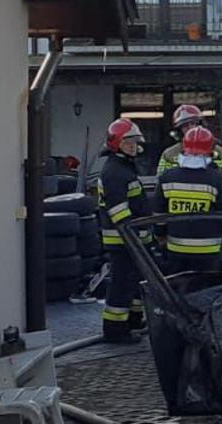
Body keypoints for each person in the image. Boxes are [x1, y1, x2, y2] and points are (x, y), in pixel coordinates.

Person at [91, 118, 154, 341]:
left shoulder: (123, 167)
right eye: (128, 142)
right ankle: (115, 331)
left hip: (130, 241)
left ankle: (133, 321)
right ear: (116, 144)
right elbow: (119, 213)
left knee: (133, 284)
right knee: (121, 286)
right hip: (123, 241)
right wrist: (135, 238)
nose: (134, 146)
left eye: (135, 142)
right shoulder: (115, 172)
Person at [157, 126, 222, 274]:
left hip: (176, 250)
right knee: (208, 292)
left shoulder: (167, 178)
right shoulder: (217, 180)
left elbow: (158, 215)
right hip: (209, 252)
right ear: (210, 152)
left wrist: (161, 235)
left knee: (179, 291)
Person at [158, 104, 222, 175]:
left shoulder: (218, 152)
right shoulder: (169, 154)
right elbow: (161, 180)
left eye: (193, 123)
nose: (190, 128)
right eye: (185, 125)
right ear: (179, 130)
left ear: (201, 124)